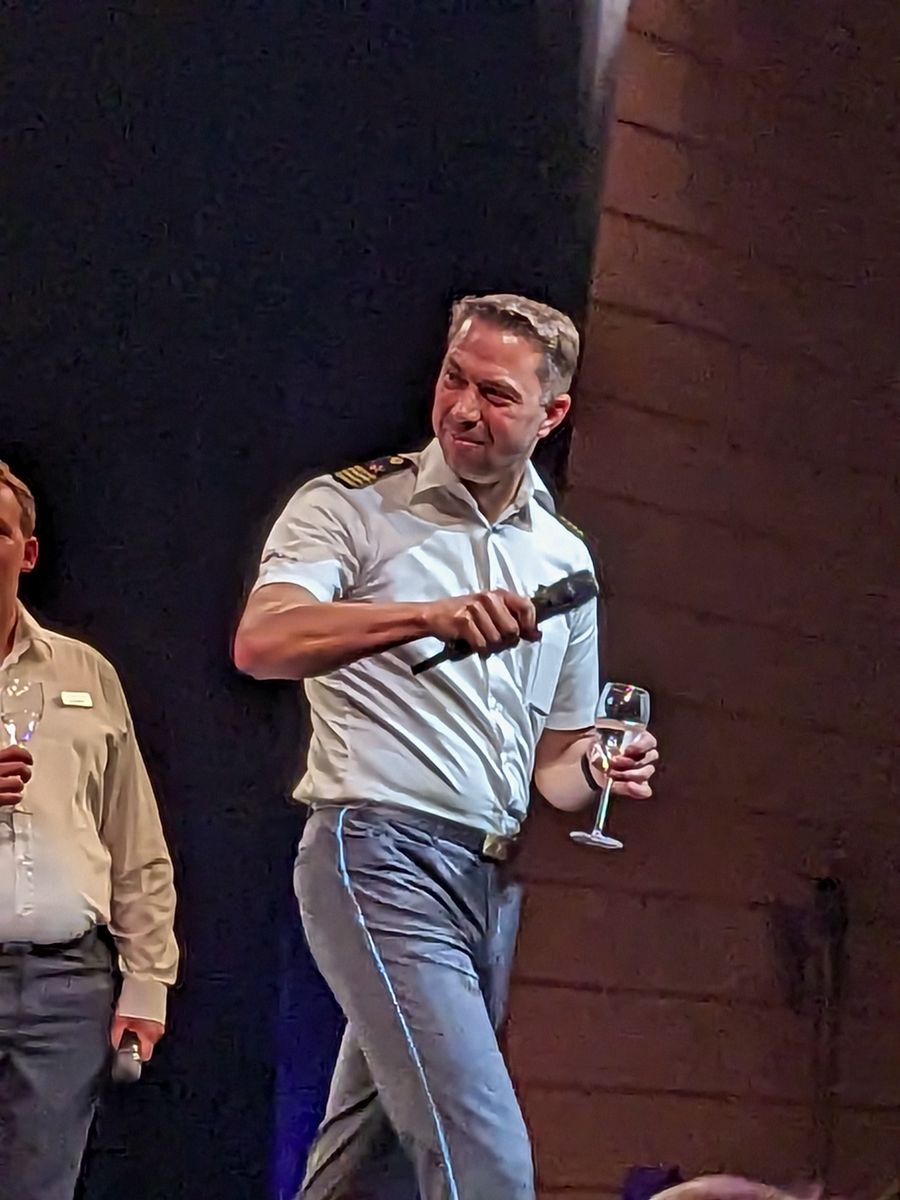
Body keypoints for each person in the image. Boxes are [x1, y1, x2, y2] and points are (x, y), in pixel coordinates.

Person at [234, 293, 660, 1200]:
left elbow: (556, 768)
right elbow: (263, 641)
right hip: (376, 852)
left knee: (367, 1164)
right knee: (485, 1157)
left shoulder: (564, 559)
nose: (464, 408)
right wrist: (423, 616)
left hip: (485, 883)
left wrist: (600, 766)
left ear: (553, 414)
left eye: (496, 395)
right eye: (453, 379)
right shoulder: (354, 507)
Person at [0, 462, 179, 1200]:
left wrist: (148, 982)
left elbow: (134, 839)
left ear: (27, 553)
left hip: (65, 987)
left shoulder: (85, 672)